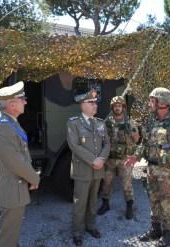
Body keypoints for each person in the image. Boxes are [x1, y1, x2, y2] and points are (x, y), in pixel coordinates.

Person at [125, 87, 170, 247]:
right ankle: (155, 230)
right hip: (151, 169)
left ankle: (167, 233)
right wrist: (135, 156)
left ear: (162, 103)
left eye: (152, 100)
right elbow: (144, 144)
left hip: (168, 171)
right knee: (153, 201)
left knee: (166, 203)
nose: (150, 103)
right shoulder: (151, 120)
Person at [0, 81, 40, 247]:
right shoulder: (3, 128)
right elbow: (16, 163)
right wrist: (34, 178)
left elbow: (20, 154)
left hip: (15, 187)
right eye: (22, 98)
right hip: (12, 190)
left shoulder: (10, 121)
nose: (25, 101)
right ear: (12, 104)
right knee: (8, 238)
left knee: (13, 233)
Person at [66, 89, 110, 246]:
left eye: (95, 102)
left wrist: (102, 159)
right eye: (91, 102)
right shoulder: (73, 123)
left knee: (92, 201)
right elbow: (74, 145)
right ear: (82, 105)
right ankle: (77, 231)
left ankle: (91, 226)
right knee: (80, 203)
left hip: (97, 171)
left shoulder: (100, 123)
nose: (95, 105)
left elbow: (107, 144)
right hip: (83, 170)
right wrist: (94, 160)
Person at [97, 96, 140, 219]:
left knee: (127, 184)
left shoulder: (129, 123)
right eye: (115, 106)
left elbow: (137, 139)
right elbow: (101, 138)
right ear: (112, 108)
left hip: (124, 160)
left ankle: (129, 206)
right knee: (106, 182)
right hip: (109, 159)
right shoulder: (107, 122)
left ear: (123, 108)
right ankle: (105, 204)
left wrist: (132, 153)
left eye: (119, 106)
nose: (117, 108)